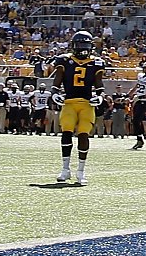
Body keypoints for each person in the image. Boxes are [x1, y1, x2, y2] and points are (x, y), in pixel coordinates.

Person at [40, 30, 105, 187]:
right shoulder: (64, 60)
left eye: (85, 45)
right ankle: (65, 169)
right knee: (66, 132)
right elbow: (57, 81)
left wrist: (101, 96)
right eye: (79, 44)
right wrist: (54, 93)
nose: (82, 48)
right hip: (69, 102)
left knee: (83, 135)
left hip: (87, 104)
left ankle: (81, 171)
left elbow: (99, 85)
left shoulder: (96, 62)